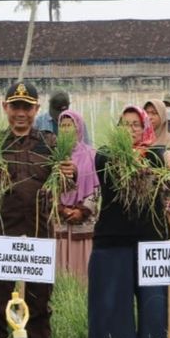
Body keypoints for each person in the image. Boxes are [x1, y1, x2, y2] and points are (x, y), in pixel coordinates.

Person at [0, 81, 74, 338]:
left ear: (36, 109)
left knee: (39, 301)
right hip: (2, 234)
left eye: (26, 107)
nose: (20, 113)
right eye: (15, 107)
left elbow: (68, 182)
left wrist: (69, 172)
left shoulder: (50, 143)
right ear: (5, 107)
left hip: (39, 234)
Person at [87, 105, 170, 338]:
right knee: (112, 307)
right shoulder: (107, 155)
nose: (130, 130)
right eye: (125, 124)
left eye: (136, 125)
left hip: (151, 243)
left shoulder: (156, 154)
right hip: (113, 243)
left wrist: (166, 154)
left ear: (146, 128)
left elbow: (160, 156)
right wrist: (162, 154)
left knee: (154, 308)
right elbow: (108, 160)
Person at [53, 110, 99, 281]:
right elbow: (47, 189)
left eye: (69, 125)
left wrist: (82, 211)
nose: (65, 130)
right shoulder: (53, 155)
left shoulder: (91, 155)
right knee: (60, 271)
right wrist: (61, 209)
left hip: (84, 223)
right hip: (60, 223)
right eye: (62, 126)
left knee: (83, 272)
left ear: (78, 127)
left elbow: (96, 189)